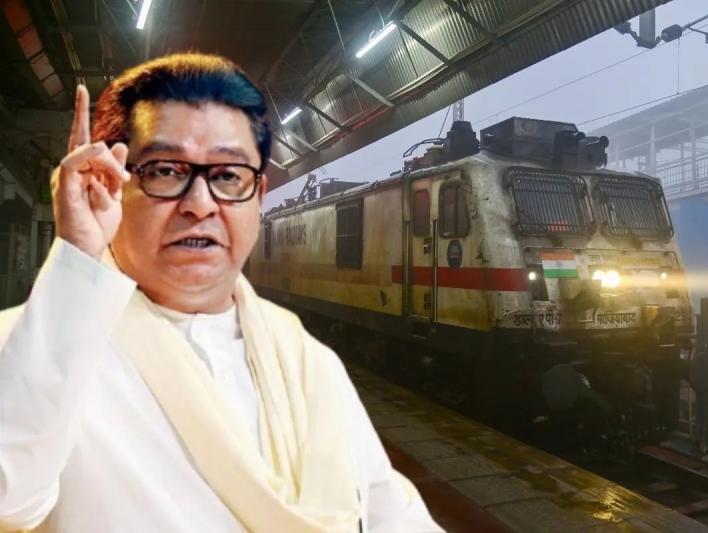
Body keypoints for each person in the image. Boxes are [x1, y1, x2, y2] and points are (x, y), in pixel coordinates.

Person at [0, 53, 443, 533]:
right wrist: (78, 262)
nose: (200, 204)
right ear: (108, 184)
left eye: (229, 176)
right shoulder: (23, 348)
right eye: (165, 170)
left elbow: (392, 515)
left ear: (259, 197)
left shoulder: (310, 363)